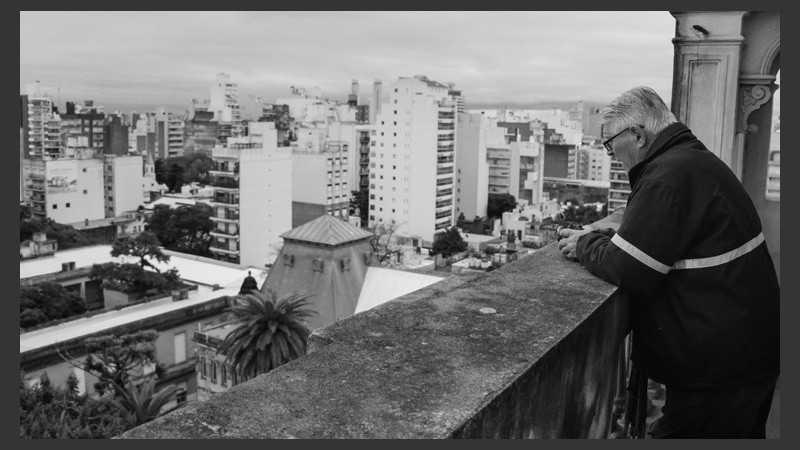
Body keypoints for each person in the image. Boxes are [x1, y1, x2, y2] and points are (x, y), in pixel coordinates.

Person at [558, 86, 779, 438]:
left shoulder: (669, 175)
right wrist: (603, 240)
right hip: (740, 354)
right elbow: (648, 245)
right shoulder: (690, 161)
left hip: (718, 368)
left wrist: (585, 243)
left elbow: (627, 268)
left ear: (637, 135)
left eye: (609, 143)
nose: (611, 154)